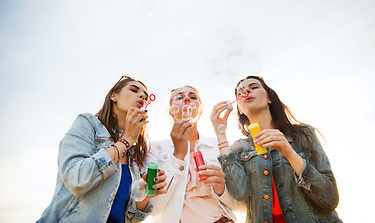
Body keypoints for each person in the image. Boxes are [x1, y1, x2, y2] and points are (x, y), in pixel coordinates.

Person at [210, 76, 342, 223]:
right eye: (240, 92)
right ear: (240, 109)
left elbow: (330, 198)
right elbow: (239, 193)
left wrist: (290, 153)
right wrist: (220, 133)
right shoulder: (239, 149)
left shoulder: (303, 135)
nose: (245, 91)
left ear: (269, 99)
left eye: (253, 87)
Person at [37, 76, 167, 223]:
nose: (142, 96)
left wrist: (144, 195)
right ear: (114, 96)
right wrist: (126, 141)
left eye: (145, 95)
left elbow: (131, 218)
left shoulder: (133, 154)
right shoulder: (88, 124)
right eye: (134, 90)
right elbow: (77, 179)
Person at [144, 85, 245, 223]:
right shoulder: (155, 148)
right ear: (171, 111)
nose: (186, 98)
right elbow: (151, 208)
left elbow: (241, 206)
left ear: (201, 110)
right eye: (179, 97)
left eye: (193, 97)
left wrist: (220, 189)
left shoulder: (218, 145)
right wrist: (178, 156)